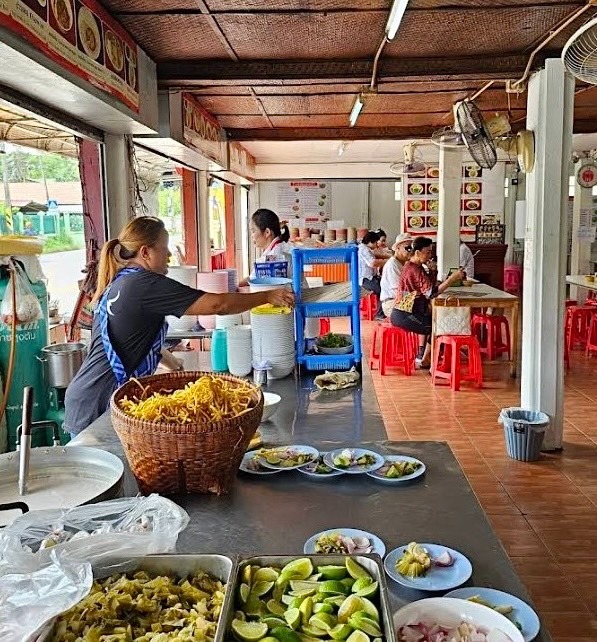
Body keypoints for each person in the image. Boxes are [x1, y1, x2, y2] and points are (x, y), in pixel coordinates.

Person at [64, 216, 294, 437]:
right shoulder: (145, 284)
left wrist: (170, 362)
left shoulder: (122, 281)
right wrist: (268, 296)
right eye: (164, 248)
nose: (169, 255)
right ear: (145, 252)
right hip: (98, 402)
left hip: (87, 395)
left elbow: (131, 337)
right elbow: (218, 304)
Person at [391, 236, 465, 368]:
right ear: (417, 252)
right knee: (437, 327)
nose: (430, 255)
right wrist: (451, 279)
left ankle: (423, 356)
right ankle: (426, 359)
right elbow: (431, 293)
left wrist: (433, 271)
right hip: (404, 314)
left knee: (432, 321)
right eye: (428, 252)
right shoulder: (414, 269)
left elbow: (428, 286)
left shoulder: (416, 267)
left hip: (410, 311)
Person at [239, 209, 292, 286]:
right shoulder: (276, 248)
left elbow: (254, 280)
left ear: (267, 232)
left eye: (253, 231)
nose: (252, 236)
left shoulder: (275, 254)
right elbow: (252, 278)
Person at [379, 233, 413, 319]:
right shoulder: (393, 265)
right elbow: (402, 288)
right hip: (392, 303)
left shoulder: (402, 264)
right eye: (407, 248)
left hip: (401, 301)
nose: (410, 251)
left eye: (411, 248)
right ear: (398, 248)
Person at [358, 230, 386, 319]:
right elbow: (372, 263)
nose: (377, 245)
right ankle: (380, 314)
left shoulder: (366, 249)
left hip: (371, 278)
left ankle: (382, 312)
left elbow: (377, 256)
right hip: (366, 280)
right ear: (370, 242)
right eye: (376, 243)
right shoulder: (363, 249)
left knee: (386, 284)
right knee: (385, 290)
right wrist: (387, 261)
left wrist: (389, 257)